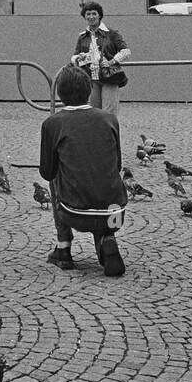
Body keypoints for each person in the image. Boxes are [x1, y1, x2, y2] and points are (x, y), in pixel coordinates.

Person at [40, 64, 127, 276]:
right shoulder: (109, 119)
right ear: (89, 90)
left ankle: (63, 248)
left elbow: (47, 172)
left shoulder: (53, 124)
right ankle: (107, 237)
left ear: (60, 93)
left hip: (74, 213)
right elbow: (117, 166)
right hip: (115, 211)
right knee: (101, 176)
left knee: (57, 178)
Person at [70, 1, 130, 118]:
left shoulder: (112, 34)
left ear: (99, 15)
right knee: (94, 112)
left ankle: (109, 135)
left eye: (94, 13)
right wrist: (79, 58)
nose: (91, 17)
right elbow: (74, 56)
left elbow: (126, 51)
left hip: (110, 77)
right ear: (84, 17)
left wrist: (112, 61)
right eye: (88, 14)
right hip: (91, 78)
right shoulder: (82, 36)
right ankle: (97, 135)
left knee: (109, 112)